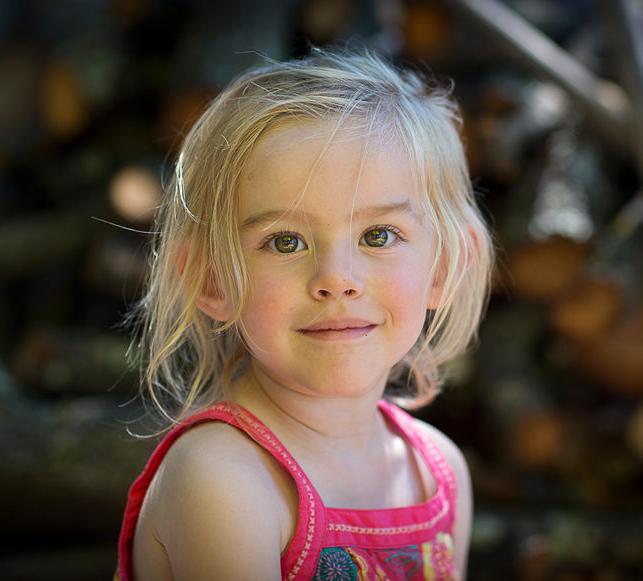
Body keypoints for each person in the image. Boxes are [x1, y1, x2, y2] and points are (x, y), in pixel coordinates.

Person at [115, 47, 493, 580]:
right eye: (286, 241)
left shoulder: (438, 472)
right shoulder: (223, 478)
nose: (336, 278)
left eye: (378, 236)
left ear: (444, 268)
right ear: (212, 279)